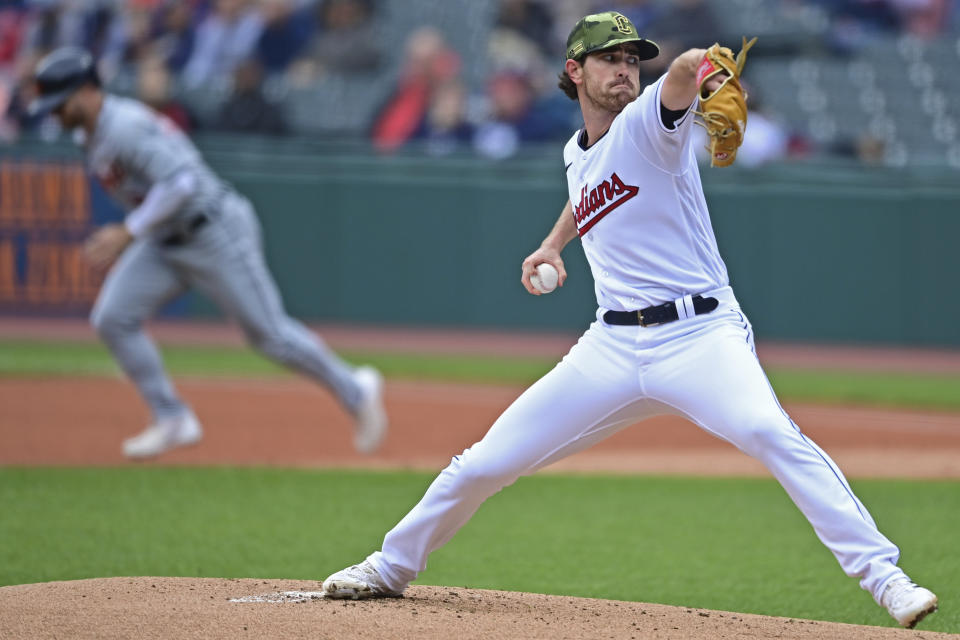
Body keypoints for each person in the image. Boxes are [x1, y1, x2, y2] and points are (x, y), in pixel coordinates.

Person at [320, 11, 939, 630]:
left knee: (770, 433)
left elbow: (680, 71)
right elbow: (588, 182)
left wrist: (700, 64)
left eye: (629, 60)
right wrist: (553, 244)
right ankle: (391, 566)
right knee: (485, 462)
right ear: (574, 70)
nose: (623, 69)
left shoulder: (649, 119)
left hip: (700, 336)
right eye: (609, 58)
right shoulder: (578, 149)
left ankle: (887, 580)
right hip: (611, 347)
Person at [28, 46, 387, 459]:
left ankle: (356, 390)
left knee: (269, 335)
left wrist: (130, 231)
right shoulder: (87, 133)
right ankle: (172, 416)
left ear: (88, 91)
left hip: (213, 231)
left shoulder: (123, 126)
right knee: (113, 317)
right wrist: (139, 230)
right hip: (165, 240)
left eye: (61, 103)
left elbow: (181, 184)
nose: (55, 113)